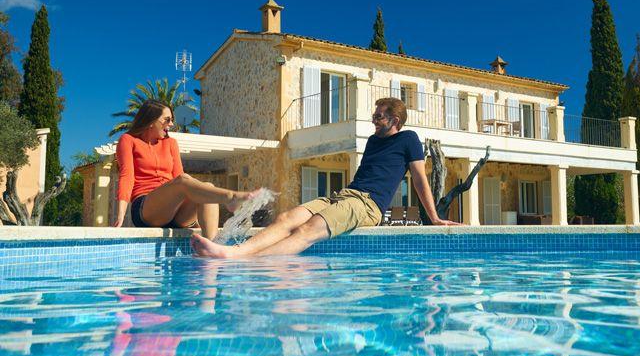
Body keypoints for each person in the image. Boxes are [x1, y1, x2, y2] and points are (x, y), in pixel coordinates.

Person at [191, 97, 461, 258]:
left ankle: (240, 261)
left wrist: (434, 216)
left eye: (379, 117)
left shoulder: (408, 139)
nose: (374, 120)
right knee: (287, 218)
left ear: (395, 120)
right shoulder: (372, 141)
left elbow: (419, 179)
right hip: (345, 195)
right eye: (374, 116)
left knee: (309, 230)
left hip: (368, 205)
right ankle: (234, 253)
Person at [113, 99, 258, 239]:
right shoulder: (128, 140)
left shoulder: (171, 143)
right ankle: (230, 197)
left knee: (207, 188)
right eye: (167, 119)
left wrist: (195, 216)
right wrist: (120, 215)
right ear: (151, 120)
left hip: (175, 214)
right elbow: (127, 176)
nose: (171, 124)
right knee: (184, 181)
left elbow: (179, 176)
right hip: (146, 209)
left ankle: (211, 248)